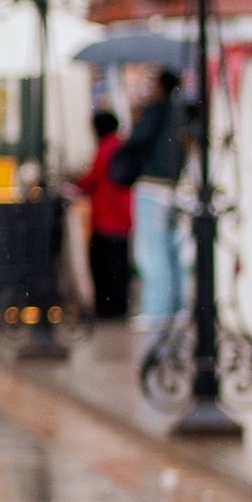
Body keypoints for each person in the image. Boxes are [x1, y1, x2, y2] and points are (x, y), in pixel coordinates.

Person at [109, 69, 190, 327]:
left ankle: (157, 309)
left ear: (161, 86)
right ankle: (177, 306)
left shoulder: (155, 111)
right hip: (172, 186)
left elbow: (136, 140)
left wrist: (137, 116)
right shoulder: (180, 113)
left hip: (152, 186)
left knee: (152, 251)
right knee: (170, 250)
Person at [76, 106, 134, 323]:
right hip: (122, 215)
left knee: (103, 265)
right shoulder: (121, 145)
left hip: (106, 216)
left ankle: (107, 307)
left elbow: (92, 177)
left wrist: (76, 184)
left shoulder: (106, 147)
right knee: (119, 264)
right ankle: (119, 306)